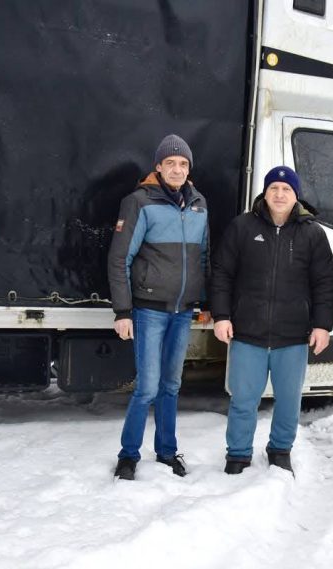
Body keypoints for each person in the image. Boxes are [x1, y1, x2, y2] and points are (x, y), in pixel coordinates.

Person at [211, 166, 333, 475]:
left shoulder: (312, 233)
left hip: (292, 335)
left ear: (296, 196)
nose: (280, 195)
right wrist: (222, 316)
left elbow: (324, 283)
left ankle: (280, 449)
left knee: (289, 401)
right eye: (274, 189)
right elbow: (222, 274)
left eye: (286, 190)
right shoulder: (242, 227)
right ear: (264, 193)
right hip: (247, 332)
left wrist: (322, 325)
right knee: (243, 399)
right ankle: (238, 454)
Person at [107, 134, 210, 481]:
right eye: (170, 163)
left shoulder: (199, 204)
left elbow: (204, 257)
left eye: (183, 164)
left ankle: (167, 450)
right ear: (159, 167)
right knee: (148, 387)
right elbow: (120, 258)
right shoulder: (139, 202)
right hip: (149, 309)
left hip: (183, 312)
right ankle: (128, 454)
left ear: (189, 169)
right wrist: (123, 311)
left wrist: (206, 302)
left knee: (171, 385)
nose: (177, 169)